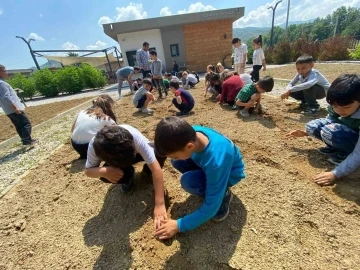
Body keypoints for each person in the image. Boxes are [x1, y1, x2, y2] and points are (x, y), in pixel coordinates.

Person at [153, 117, 245, 239]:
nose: (173, 158)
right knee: (177, 162)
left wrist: (178, 225)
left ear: (190, 146)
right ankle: (213, 185)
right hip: (211, 166)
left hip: (229, 174)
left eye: (175, 155)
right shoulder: (192, 133)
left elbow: (210, 208)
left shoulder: (216, 163)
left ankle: (224, 195)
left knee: (188, 182)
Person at [84, 124, 167, 230]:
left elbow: (156, 169)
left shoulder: (133, 138)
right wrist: (106, 171)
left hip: (137, 153)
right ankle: (128, 177)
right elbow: (88, 171)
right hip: (116, 162)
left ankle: (147, 172)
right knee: (105, 176)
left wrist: (159, 204)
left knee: (160, 152)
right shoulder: (95, 146)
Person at [287, 74, 360, 186]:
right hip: (347, 132)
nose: (340, 111)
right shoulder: (337, 104)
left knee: (330, 131)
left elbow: (358, 154)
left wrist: (335, 173)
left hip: (356, 145)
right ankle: (336, 147)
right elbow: (330, 120)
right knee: (312, 126)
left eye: (346, 107)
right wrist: (306, 133)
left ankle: (345, 153)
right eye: (335, 106)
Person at [0, 64, 36, 146]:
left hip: (8, 110)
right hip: (13, 109)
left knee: (19, 125)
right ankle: (27, 141)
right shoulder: (2, 83)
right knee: (26, 124)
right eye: (4, 71)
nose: (6, 72)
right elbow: (6, 97)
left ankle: (26, 140)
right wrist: (15, 107)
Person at [71, 95, 117, 159]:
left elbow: (72, 130)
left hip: (76, 146)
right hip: (91, 148)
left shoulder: (82, 112)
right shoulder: (105, 118)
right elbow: (117, 133)